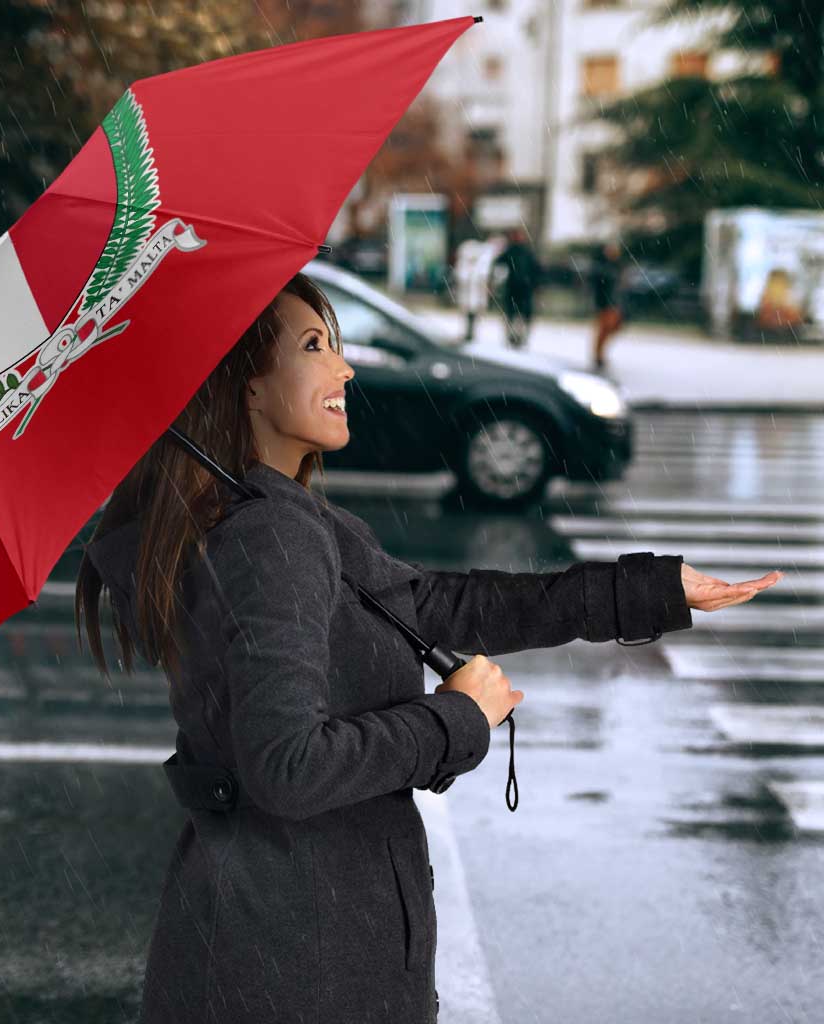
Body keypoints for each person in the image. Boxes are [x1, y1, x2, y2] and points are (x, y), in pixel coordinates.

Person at [76, 272, 782, 1024]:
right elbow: (287, 767)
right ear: (246, 388)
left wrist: (648, 590)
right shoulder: (270, 537)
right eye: (315, 346)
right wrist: (455, 719)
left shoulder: (280, 520)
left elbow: (444, 606)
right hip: (297, 962)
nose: (344, 368)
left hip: (278, 944)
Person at [492, 226, 542, 349]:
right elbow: (498, 264)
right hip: (515, 288)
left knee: (520, 315)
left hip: (523, 288)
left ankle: (519, 337)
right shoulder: (512, 251)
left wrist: (535, 284)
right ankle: (513, 337)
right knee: (513, 314)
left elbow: (536, 270)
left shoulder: (525, 252)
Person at [590, 239, 626, 370]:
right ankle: (598, 355)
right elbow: (599, 286)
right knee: (604, 329)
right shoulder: (602, 267)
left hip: (614, 303)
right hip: (605, 303)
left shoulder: (617, 266)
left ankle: (599, 354)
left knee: (612, 328)